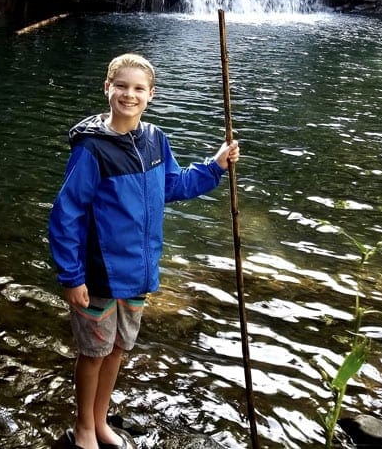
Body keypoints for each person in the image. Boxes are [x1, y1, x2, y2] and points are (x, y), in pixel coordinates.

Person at [48, 53, 240, 449]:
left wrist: (215, 167)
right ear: (108, 88)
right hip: (99, 271)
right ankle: (84, 427)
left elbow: (172, 186)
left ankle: (101, 421)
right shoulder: (92, 150)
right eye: (121, 86)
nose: (129, 95)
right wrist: (72, 275)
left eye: (138, 89)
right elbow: (66, 214)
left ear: (151, 95)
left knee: (118, 346)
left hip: (139, 270)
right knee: (94, 350)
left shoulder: (155, 140)